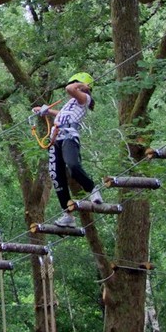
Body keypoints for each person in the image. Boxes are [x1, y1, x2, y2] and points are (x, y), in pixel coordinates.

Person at [33, 72, 103, 227]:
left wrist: (83, 86)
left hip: (69, 136)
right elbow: (63, 114)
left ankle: (92, 188)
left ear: (84, 85)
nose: (75, 86)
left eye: (78, 83)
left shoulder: (85, 99)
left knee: (73, 165)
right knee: (56, 176)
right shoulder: (72, 102)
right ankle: (68, 214)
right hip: (56, 138)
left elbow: (70, 88)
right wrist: (47, 111)